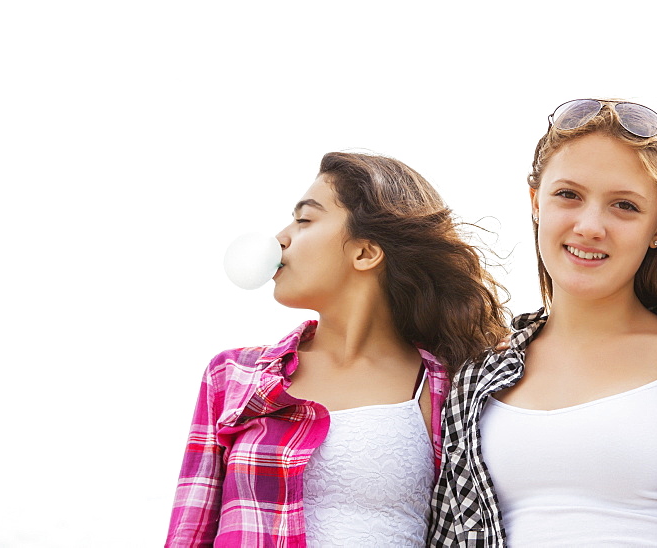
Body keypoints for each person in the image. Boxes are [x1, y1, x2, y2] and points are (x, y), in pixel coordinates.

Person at [429, 99, 657, 547]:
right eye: (568, 195)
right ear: (535, 202)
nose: (590, 226)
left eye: (624, 206)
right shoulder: (477, 378)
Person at [166, 151, 507, 547]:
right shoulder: (232, 376)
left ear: (365, 252)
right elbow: (188, 535)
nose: (280, 238)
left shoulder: (452, 386)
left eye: (304, 219)